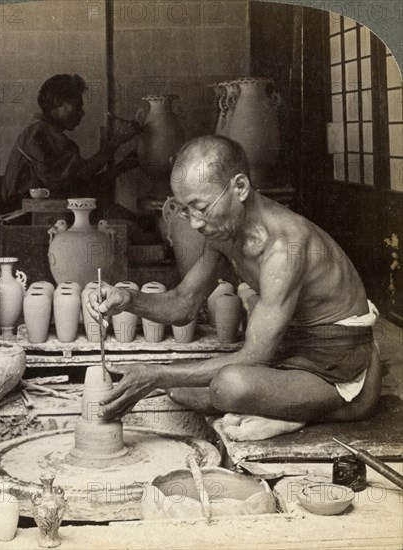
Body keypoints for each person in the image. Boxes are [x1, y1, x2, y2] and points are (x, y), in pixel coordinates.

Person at [87, 135, 382, 441]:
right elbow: (183, 304)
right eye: (185, 210)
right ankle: (284, 406)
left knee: (228, 385)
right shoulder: (223, 234)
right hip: (293, 351)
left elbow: (255, 355)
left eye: (200, 207)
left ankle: (333, 409)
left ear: (239, 188)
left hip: (338, 364)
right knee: (180, 390)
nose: (195, 224)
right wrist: (127, 299)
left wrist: (157, 374)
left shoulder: (284, 245)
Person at [2, 74, 141, 211]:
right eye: (77, 105)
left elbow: (77, 182)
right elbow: (83, 175)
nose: (82, 113)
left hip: (43, 212)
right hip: (27, 217)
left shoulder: (41, 131)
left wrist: (122, 167)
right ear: (57, 102)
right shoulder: (40, 133)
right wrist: (117, 141)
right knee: (129, 225)